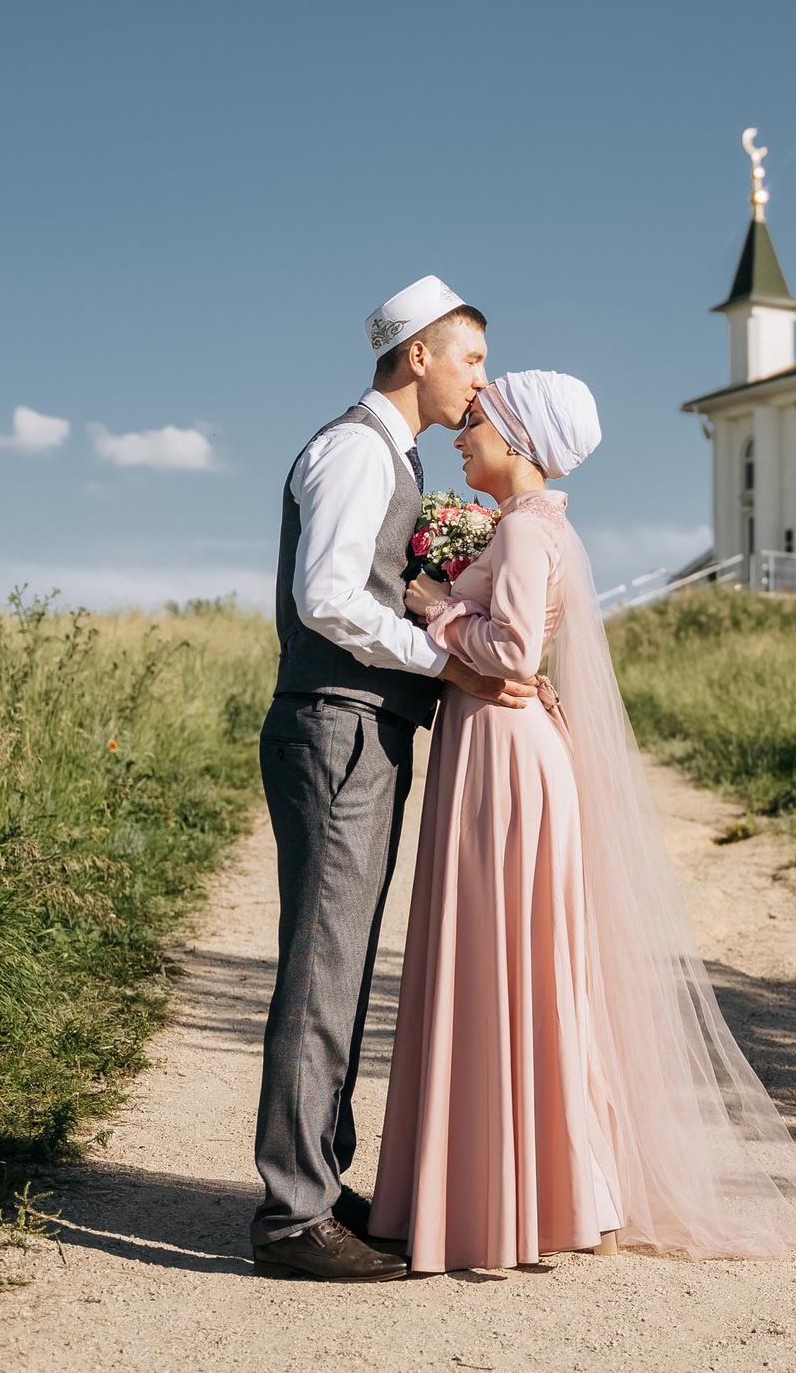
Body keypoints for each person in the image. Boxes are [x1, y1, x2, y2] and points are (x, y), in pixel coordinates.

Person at [371, 369, 796, 1274]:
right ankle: (516, 1188)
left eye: (479, 425)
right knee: (509, 965)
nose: (463, 436)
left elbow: (507, 650)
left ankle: (517, 1197)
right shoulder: (532, 529)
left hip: (504, 749)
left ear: (521, 441)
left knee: (505, 964)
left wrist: (431, 608)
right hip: (496, 740)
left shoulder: (530, 532)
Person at [250, 276, 538, 1284]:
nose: (480, 381)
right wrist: (446, 662)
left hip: (359, 731)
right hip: (336, 726)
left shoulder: (392, 457)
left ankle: (321, 1187)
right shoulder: (351, 451)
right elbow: (327, 597)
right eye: (470, 359)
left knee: (343, 963)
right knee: (322, 969)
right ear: (418, 354)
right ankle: (292, 1218)